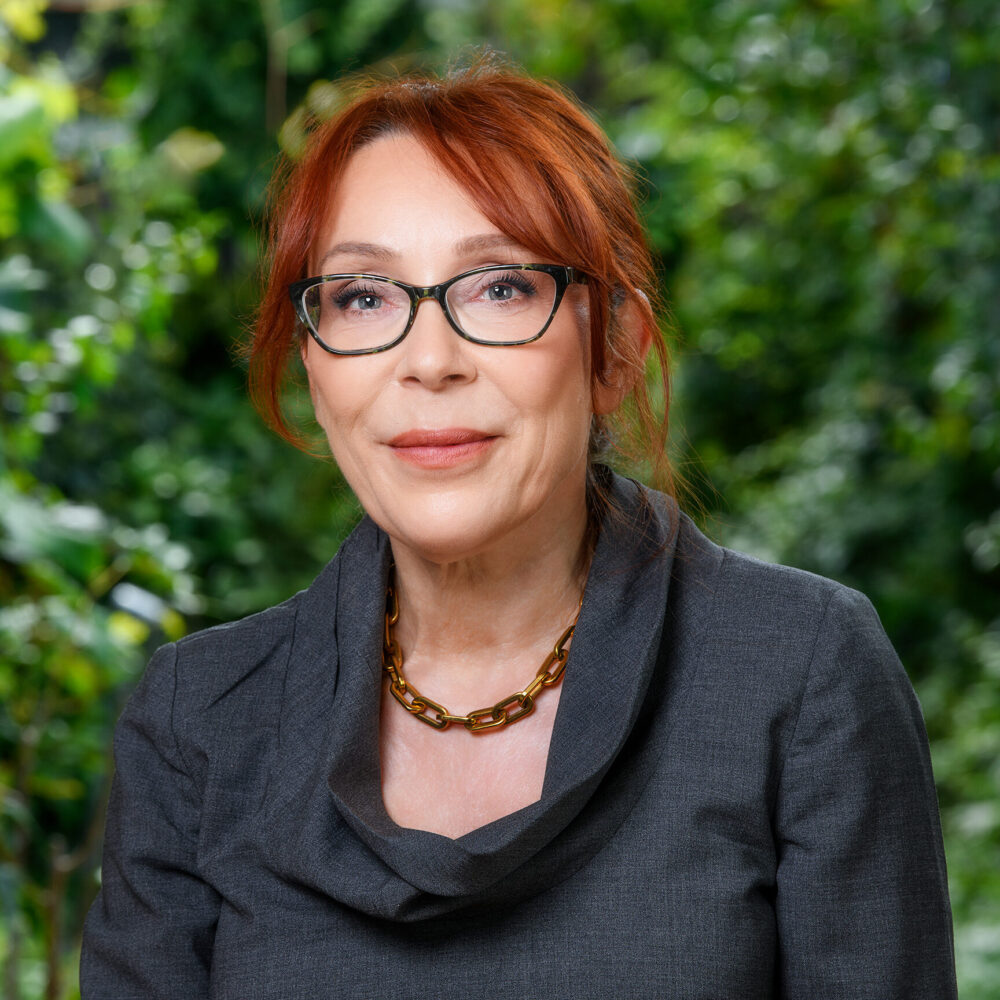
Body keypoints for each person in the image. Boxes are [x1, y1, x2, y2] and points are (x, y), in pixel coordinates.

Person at [81, 60, 957, 999]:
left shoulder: (800, 674)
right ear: (312, 364)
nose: (429, 361)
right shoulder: (199, 721)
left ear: (613, 350)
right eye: (363, 296)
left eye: (499, 286)